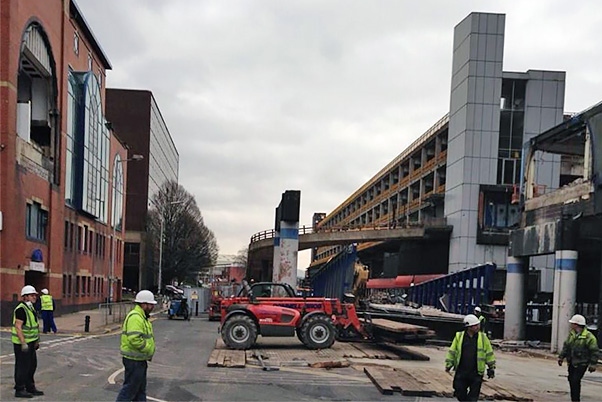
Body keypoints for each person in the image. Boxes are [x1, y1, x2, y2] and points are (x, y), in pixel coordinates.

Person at [116, 290, 157, 402]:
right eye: (150, 305)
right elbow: (134, 339)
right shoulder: (136, 317)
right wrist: (148, 349)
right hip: (134, 361)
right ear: (144, 304)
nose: (152, 307)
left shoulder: (142, 316)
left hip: (139, 360)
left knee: (139, 391)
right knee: (129, 390)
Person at [445, 314, 496, 401]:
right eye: (475, 325)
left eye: (478, 325)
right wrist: (449, 364)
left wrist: (491, 367)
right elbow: (452, 351)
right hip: (462, 371)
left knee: (473, 397)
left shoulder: (483, 338)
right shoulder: (459, 336)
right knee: (459, 391)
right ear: (469, 327)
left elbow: (489, 353)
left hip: (476, 372)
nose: (477, 327)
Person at [12, 285, 44, 398]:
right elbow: (18, 327)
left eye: (35, 295)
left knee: (31, 365)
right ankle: (20, 389)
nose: (34, 297)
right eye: (32, 295)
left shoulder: (31, 308)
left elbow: (34, 326)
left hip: (31, 342)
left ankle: (30, 387)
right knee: (22, 366)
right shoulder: (21, 309)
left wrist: (36, 341)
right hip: (22, 343)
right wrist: (23, 343)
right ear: (25, 297)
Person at [558, 314, 599, 402]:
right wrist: (561, 357)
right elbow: (566, 346)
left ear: (576, 324)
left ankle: (576, 400)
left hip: (582, 363)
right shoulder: (572, 335)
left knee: (575, 380)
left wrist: (593, 364)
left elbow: (594, 351)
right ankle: (574, 399)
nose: (571, 325)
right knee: (571, 379)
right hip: (572, 362)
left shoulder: (589, 337)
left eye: (572, 324)